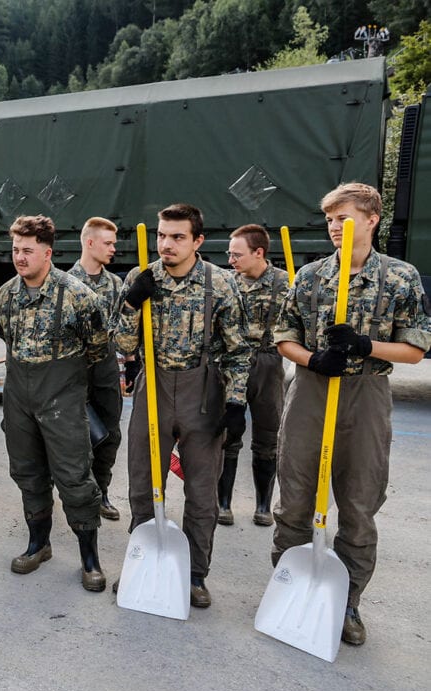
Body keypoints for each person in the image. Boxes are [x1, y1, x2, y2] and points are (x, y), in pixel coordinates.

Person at [272, 183, 431, 646]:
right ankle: (288, 587)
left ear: (371, 219)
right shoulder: (312, 276)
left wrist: (365, 345)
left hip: (366, 393)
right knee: (296, 496)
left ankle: (346, 603)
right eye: (328, 220)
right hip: (311, 391)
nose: (334, 228)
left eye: (343, 218)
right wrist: (312, 360)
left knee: (360, 503)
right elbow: (285, 336)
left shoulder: (400, 277)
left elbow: (416, 349)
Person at [115, 203, 250, 609]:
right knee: (143, 484)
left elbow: (238, 350)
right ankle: (142, 562)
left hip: (202, 392)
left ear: (197, 241)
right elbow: (121, 346)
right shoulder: (141, 279)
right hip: (151, 390)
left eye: (177, 237)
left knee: (202, 492)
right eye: (161, 235)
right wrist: (131, 305)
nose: (166, 244)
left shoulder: (220, 284)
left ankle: (193, 574)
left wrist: (236, 401)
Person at [0, 215, 111, 590]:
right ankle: (38, 543)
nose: (19, 257)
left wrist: (69, 388)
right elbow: (7, 339)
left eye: (27, 250)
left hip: (62, 396)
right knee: (27, 473)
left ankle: (89, 558)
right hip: (19, 398)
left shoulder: (79, 296)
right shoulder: (5, 295)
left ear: (47, 253)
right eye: (15, 249)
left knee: (75, 477)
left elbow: (97, 349)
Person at [219, 224, 289, 526]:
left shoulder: (285, 283)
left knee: (267, 434)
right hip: (232, 361)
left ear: (258, 253)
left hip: (268, 362)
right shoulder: (227, 282)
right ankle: (223, 503)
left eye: (237, 254)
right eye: (229, 254)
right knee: (228, 434)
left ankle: (263, 505)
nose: (231, 259)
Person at [68, 217, 125, 521]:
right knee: (75, 435)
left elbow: (122, 328)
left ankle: (101, 491)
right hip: (74, 368)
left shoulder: (116, 284)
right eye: (108, 243)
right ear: (90, 243)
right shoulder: (64, 283)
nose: (113, 249)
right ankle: (78, 493)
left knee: (110, 434)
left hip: (105, 367)